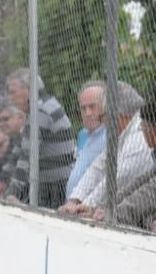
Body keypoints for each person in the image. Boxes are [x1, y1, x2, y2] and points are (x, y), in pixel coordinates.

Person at [60, 81, 149, 215]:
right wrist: (75, 199)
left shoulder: (139, 137)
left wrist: (85, 205)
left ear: (119, 115)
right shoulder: (121, 134)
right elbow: (98, 167)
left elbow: (117, 178)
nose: (103, 123)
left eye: (103, 117)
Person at [0, 68, 75, 208]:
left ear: (28, 90)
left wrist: (12, 193)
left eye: (12, 92)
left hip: (56, 188)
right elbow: (18, 149)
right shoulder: (40, 108)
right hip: (50, 186)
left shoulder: (41, 111)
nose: (10, 98)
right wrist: (3, 180)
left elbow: (27, 155)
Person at [92, 87, 156, 230]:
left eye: (143, 128)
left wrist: (114, 214)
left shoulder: (136, 142)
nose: (143, 133)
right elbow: (140, 183)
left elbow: (150, 192)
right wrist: (102, 208)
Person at [65, 81, 107, 198]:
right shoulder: (82, 135)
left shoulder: (111, 136)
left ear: (105, 107)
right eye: (83, 108)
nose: (87, 113)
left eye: (92, 107)